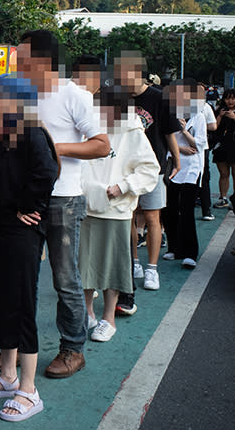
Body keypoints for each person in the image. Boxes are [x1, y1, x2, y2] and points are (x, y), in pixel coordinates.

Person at [16, 30, 110, 379]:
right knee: (22, 274)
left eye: (22, 59)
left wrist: (55, 149)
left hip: (64, 199)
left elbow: (101, 145)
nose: (17, 64)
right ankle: (16, 348)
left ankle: (73, 349)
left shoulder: (75, 95)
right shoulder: (22, 95)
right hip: (27, 200)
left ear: (43, 60)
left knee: (65, 277)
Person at [0, 77, 58, 423]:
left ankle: (28, 389)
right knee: (3, 302)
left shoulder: (32, 135)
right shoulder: (0, 140)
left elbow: (47, 172)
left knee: (22, 304)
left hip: (22, 236)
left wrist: (27, 204)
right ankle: (8, 376)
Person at [80, 85, 158, 344]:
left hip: (116, 209)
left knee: (112, 266)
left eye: (105, 109)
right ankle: (88, 313)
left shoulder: (132, 131)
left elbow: (150, 169)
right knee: (85, 265)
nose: (101, 114)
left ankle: (108, 319)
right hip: (86, 204)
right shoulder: (89, 126)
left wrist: (122, 187)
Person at [114, 51, 180, 301]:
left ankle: (152, 269)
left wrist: (177, 158)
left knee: (153, 216)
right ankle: (134, 262)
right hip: (123, 167)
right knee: (128, 216)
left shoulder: (159, 97)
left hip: (152, 167)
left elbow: (169, 132)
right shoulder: (118, 98)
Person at [162, 80, 207, 268]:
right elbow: (166, 140)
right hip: (174, 164)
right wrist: (180, 148)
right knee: (170, 208)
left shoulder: (199, 116)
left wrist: (183, 131)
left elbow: (200, 144)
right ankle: (174, 248)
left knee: (187, 210)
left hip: (193, 168)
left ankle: (190, 253)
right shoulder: (171, 114)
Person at [212, 88, 235, 209]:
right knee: (224, 173)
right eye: (227, 98)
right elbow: (213, 127)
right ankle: (223, 198)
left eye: (233, 98)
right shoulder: (219, 111)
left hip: (233, 146)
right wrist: (220, 116)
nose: (230, 101)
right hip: (221, 146)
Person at [197, 84, 217, 221]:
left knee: (202, 178)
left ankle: (206, 209)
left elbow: (213, 126)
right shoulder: (180, 107)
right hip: (189, 149)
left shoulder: (205, 107)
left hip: (200, 147)